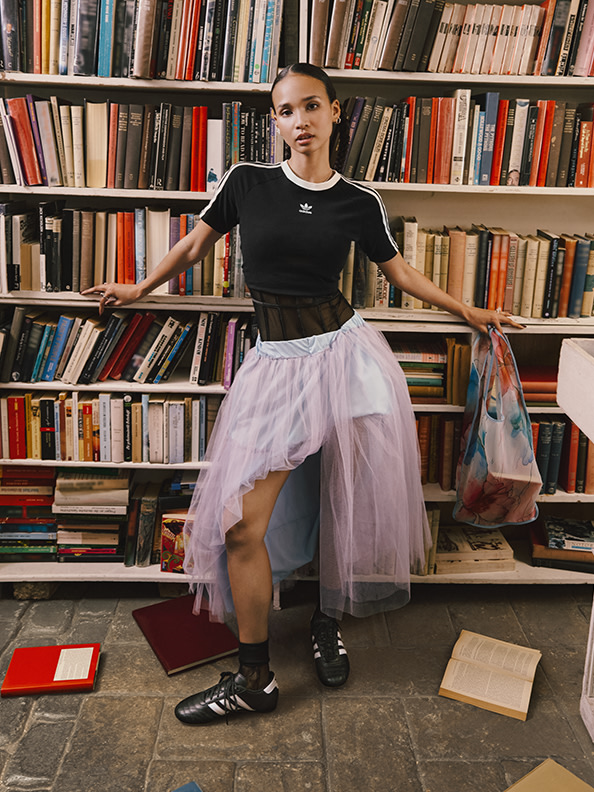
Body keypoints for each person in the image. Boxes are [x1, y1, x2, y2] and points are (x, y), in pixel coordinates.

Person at [83, 63, 524, 725]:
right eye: (286, 111)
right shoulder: (246, 182)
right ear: (276, 122)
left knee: (339, 498)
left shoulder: (359, 200)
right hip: (278, 367)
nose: (300, 121)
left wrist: (470, 311)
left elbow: (399, 273)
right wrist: (139, 289)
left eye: (312, 106)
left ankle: (324, 620)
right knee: (242, 526)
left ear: (335, 112)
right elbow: (194, 245)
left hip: (346, 358)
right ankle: (255, 677)